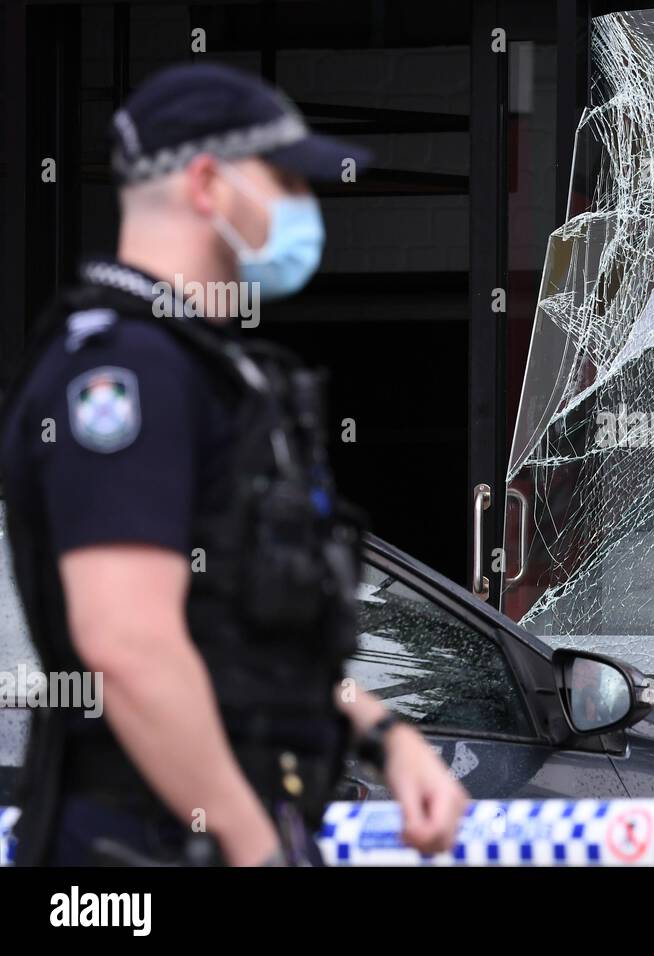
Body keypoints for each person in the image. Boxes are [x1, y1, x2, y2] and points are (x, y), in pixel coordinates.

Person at [0, 62, 467, 865]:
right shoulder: (121, 373)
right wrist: (251, 846)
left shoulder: (208, 372)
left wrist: (384, 734)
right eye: (284, 178)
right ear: (209, 184)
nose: (304, 203)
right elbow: (128, 644)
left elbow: (229, 637)